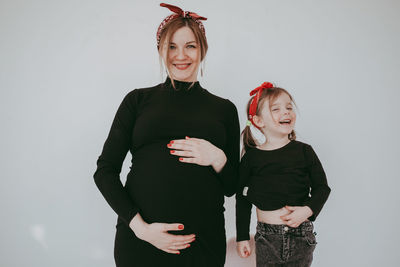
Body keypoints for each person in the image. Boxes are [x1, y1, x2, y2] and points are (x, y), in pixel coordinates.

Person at [93, 3, 240, 267]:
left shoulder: (224, 109)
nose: (180, 55)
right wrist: (140, 228)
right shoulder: (137, 100)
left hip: (203, 246)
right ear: (161, 50)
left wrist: (217, 157)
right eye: (172, 46)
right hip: (140, 244)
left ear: (202, 50)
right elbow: (104, 171)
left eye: (190, 46)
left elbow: (233, 187)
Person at [235, 82, 331, 266]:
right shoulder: (251, 157)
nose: (286, 112)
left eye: (289, 107)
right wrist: (242, 237)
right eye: (276, 109)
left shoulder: (304, 151)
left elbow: (322, 188)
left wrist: (308, 210)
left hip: (301, 236)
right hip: (266, 238)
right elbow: (242, 199)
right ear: (258, 121)